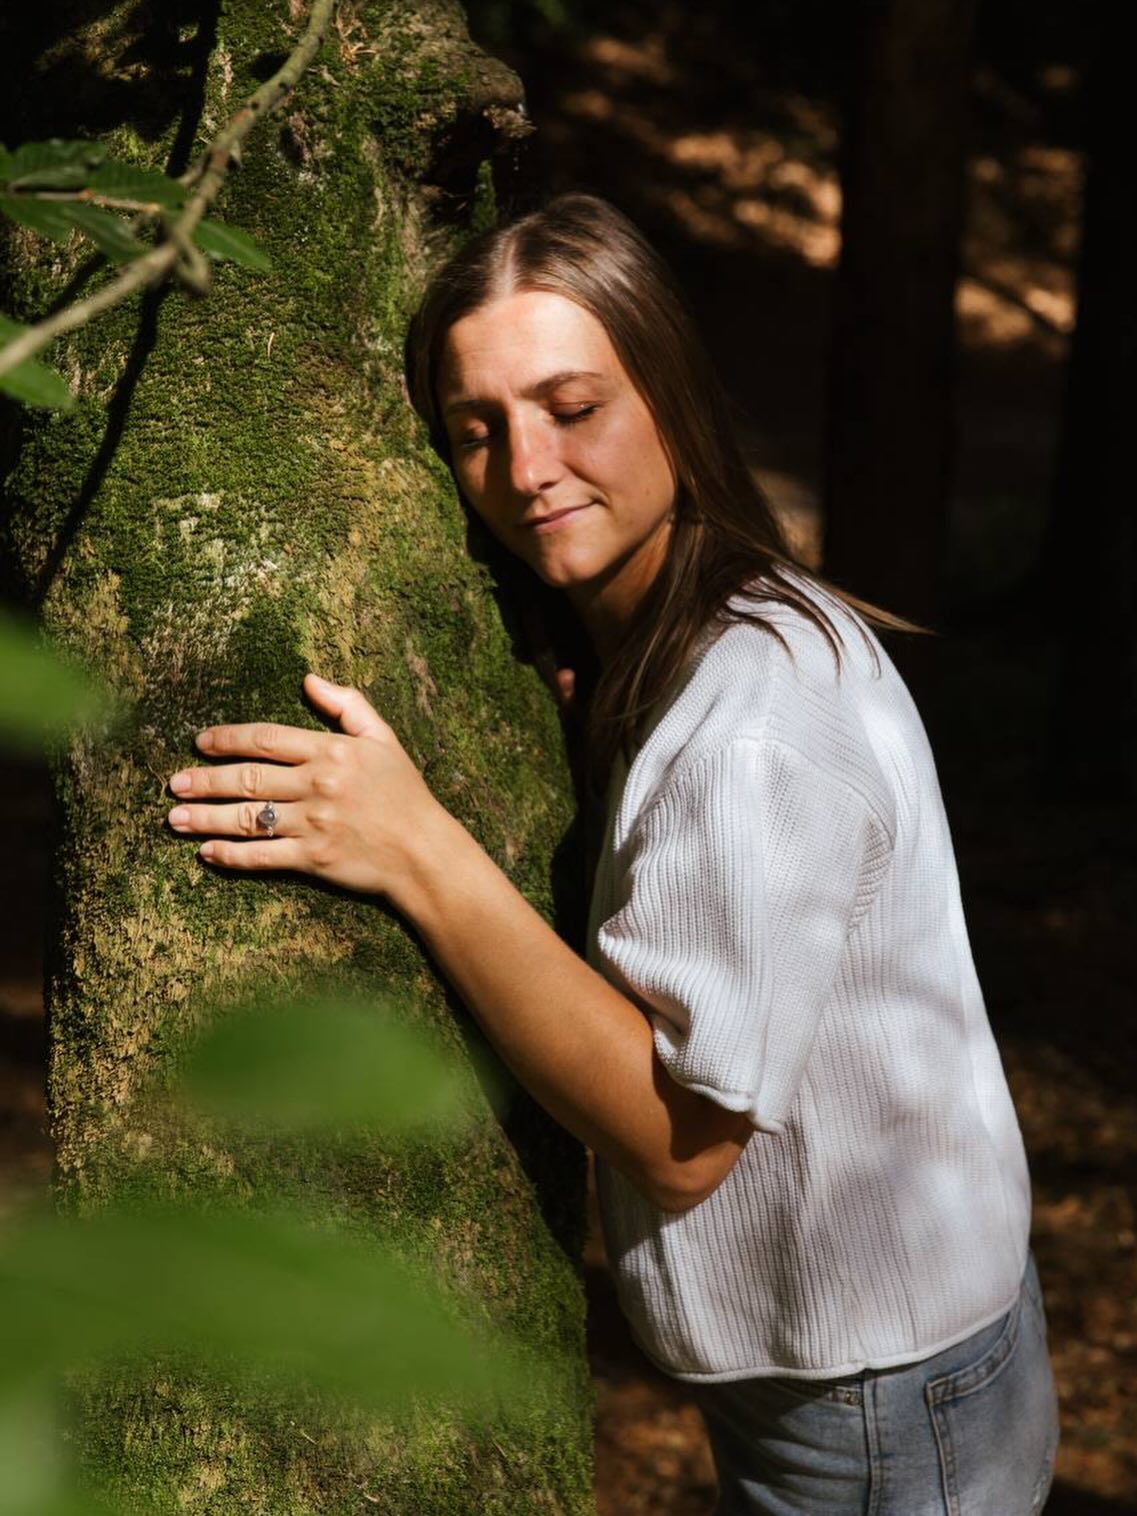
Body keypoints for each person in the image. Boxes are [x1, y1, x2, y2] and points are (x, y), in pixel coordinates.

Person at [166, 194, 1058, 1514]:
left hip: (878, 1399)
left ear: (669, 393)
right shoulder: (694, 631)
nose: (525, 469)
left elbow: (684, 1133)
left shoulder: (749, 724)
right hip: (871, 1366)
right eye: (476, 430)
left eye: (572, 408)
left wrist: (418, 850)